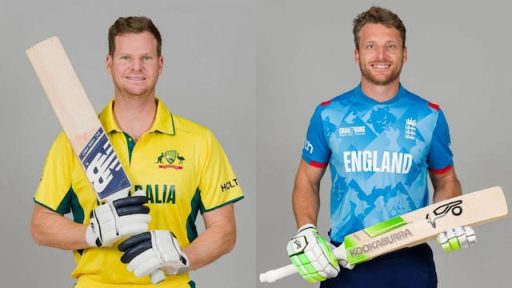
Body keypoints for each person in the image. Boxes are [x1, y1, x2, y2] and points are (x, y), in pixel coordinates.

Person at [31, 16, 243, 288]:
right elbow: (40, 226)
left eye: (146, 58)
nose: (136, 67)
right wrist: (92, 233)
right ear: (109, 64)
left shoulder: (200, 141)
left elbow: (224, 231)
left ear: (160, 64)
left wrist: (180, 258)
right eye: (125, 58)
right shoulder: (75, 141)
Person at [286, 6, 476, 288]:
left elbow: (446, 179)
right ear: (356, 54)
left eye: (391, 47)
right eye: (371, 46)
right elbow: (306, 179)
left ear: (404, 54)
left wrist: (448, 214)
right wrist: (306, 230)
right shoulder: (329, 114)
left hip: (410, 262)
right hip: (345, 260)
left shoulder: (429, 116)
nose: (381, 56)